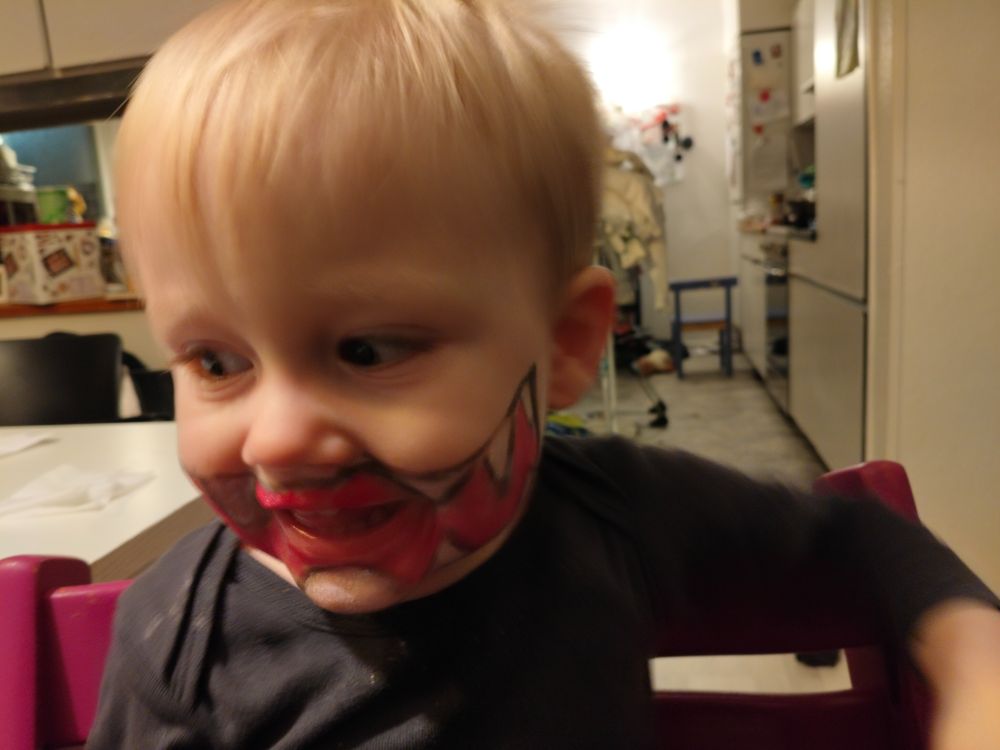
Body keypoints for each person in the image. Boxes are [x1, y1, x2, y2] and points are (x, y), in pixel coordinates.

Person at [89, 1, 1000, 747]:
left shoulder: (613, 513)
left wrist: (978, 669)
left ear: (564, 344)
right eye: (217, 362)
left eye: (369, 349)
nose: (279, 439)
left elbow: (861, 542)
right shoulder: (178, 644)